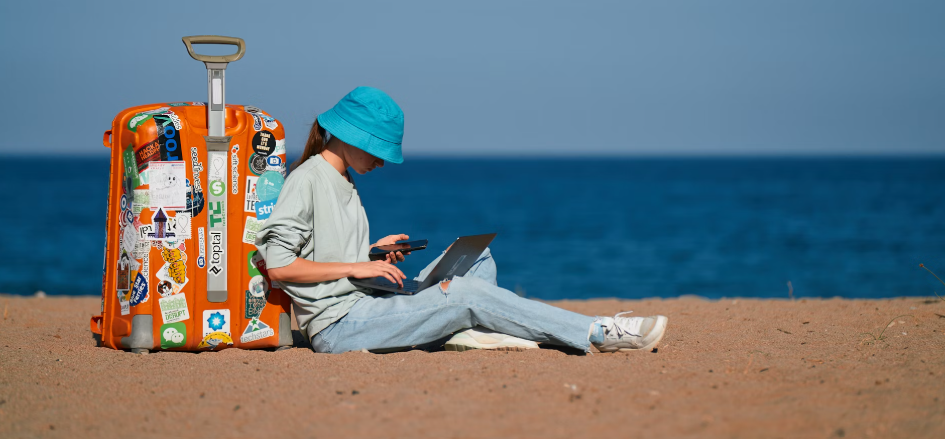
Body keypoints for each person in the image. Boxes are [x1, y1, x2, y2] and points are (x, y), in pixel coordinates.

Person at [256, 86, 668, 354]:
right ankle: (598, 332)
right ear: (348, 137)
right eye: (377, 150)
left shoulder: (342, 178)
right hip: (340, 325)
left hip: (368, 299)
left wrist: (372, 252)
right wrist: (357, 265)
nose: (381, 161)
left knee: (478, 258)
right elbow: (280, 265)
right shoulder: (308, 178)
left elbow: (322, 250)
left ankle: (459, 333)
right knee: (466, 295)